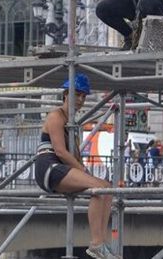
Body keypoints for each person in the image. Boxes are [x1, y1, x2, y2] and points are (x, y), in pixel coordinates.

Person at [34, 73, 119, 259]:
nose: (80, 99)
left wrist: (84, 170)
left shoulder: (71, 123)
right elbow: (61, 152)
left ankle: (101, 242)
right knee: (98, 187)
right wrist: (84, 172)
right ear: (66, 94)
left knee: (106, 188)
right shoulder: (56, 116)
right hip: (49, 167)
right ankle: (96, 244)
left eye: (83, 96)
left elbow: (74, 155)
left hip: (58, 167)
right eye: (77, 94)